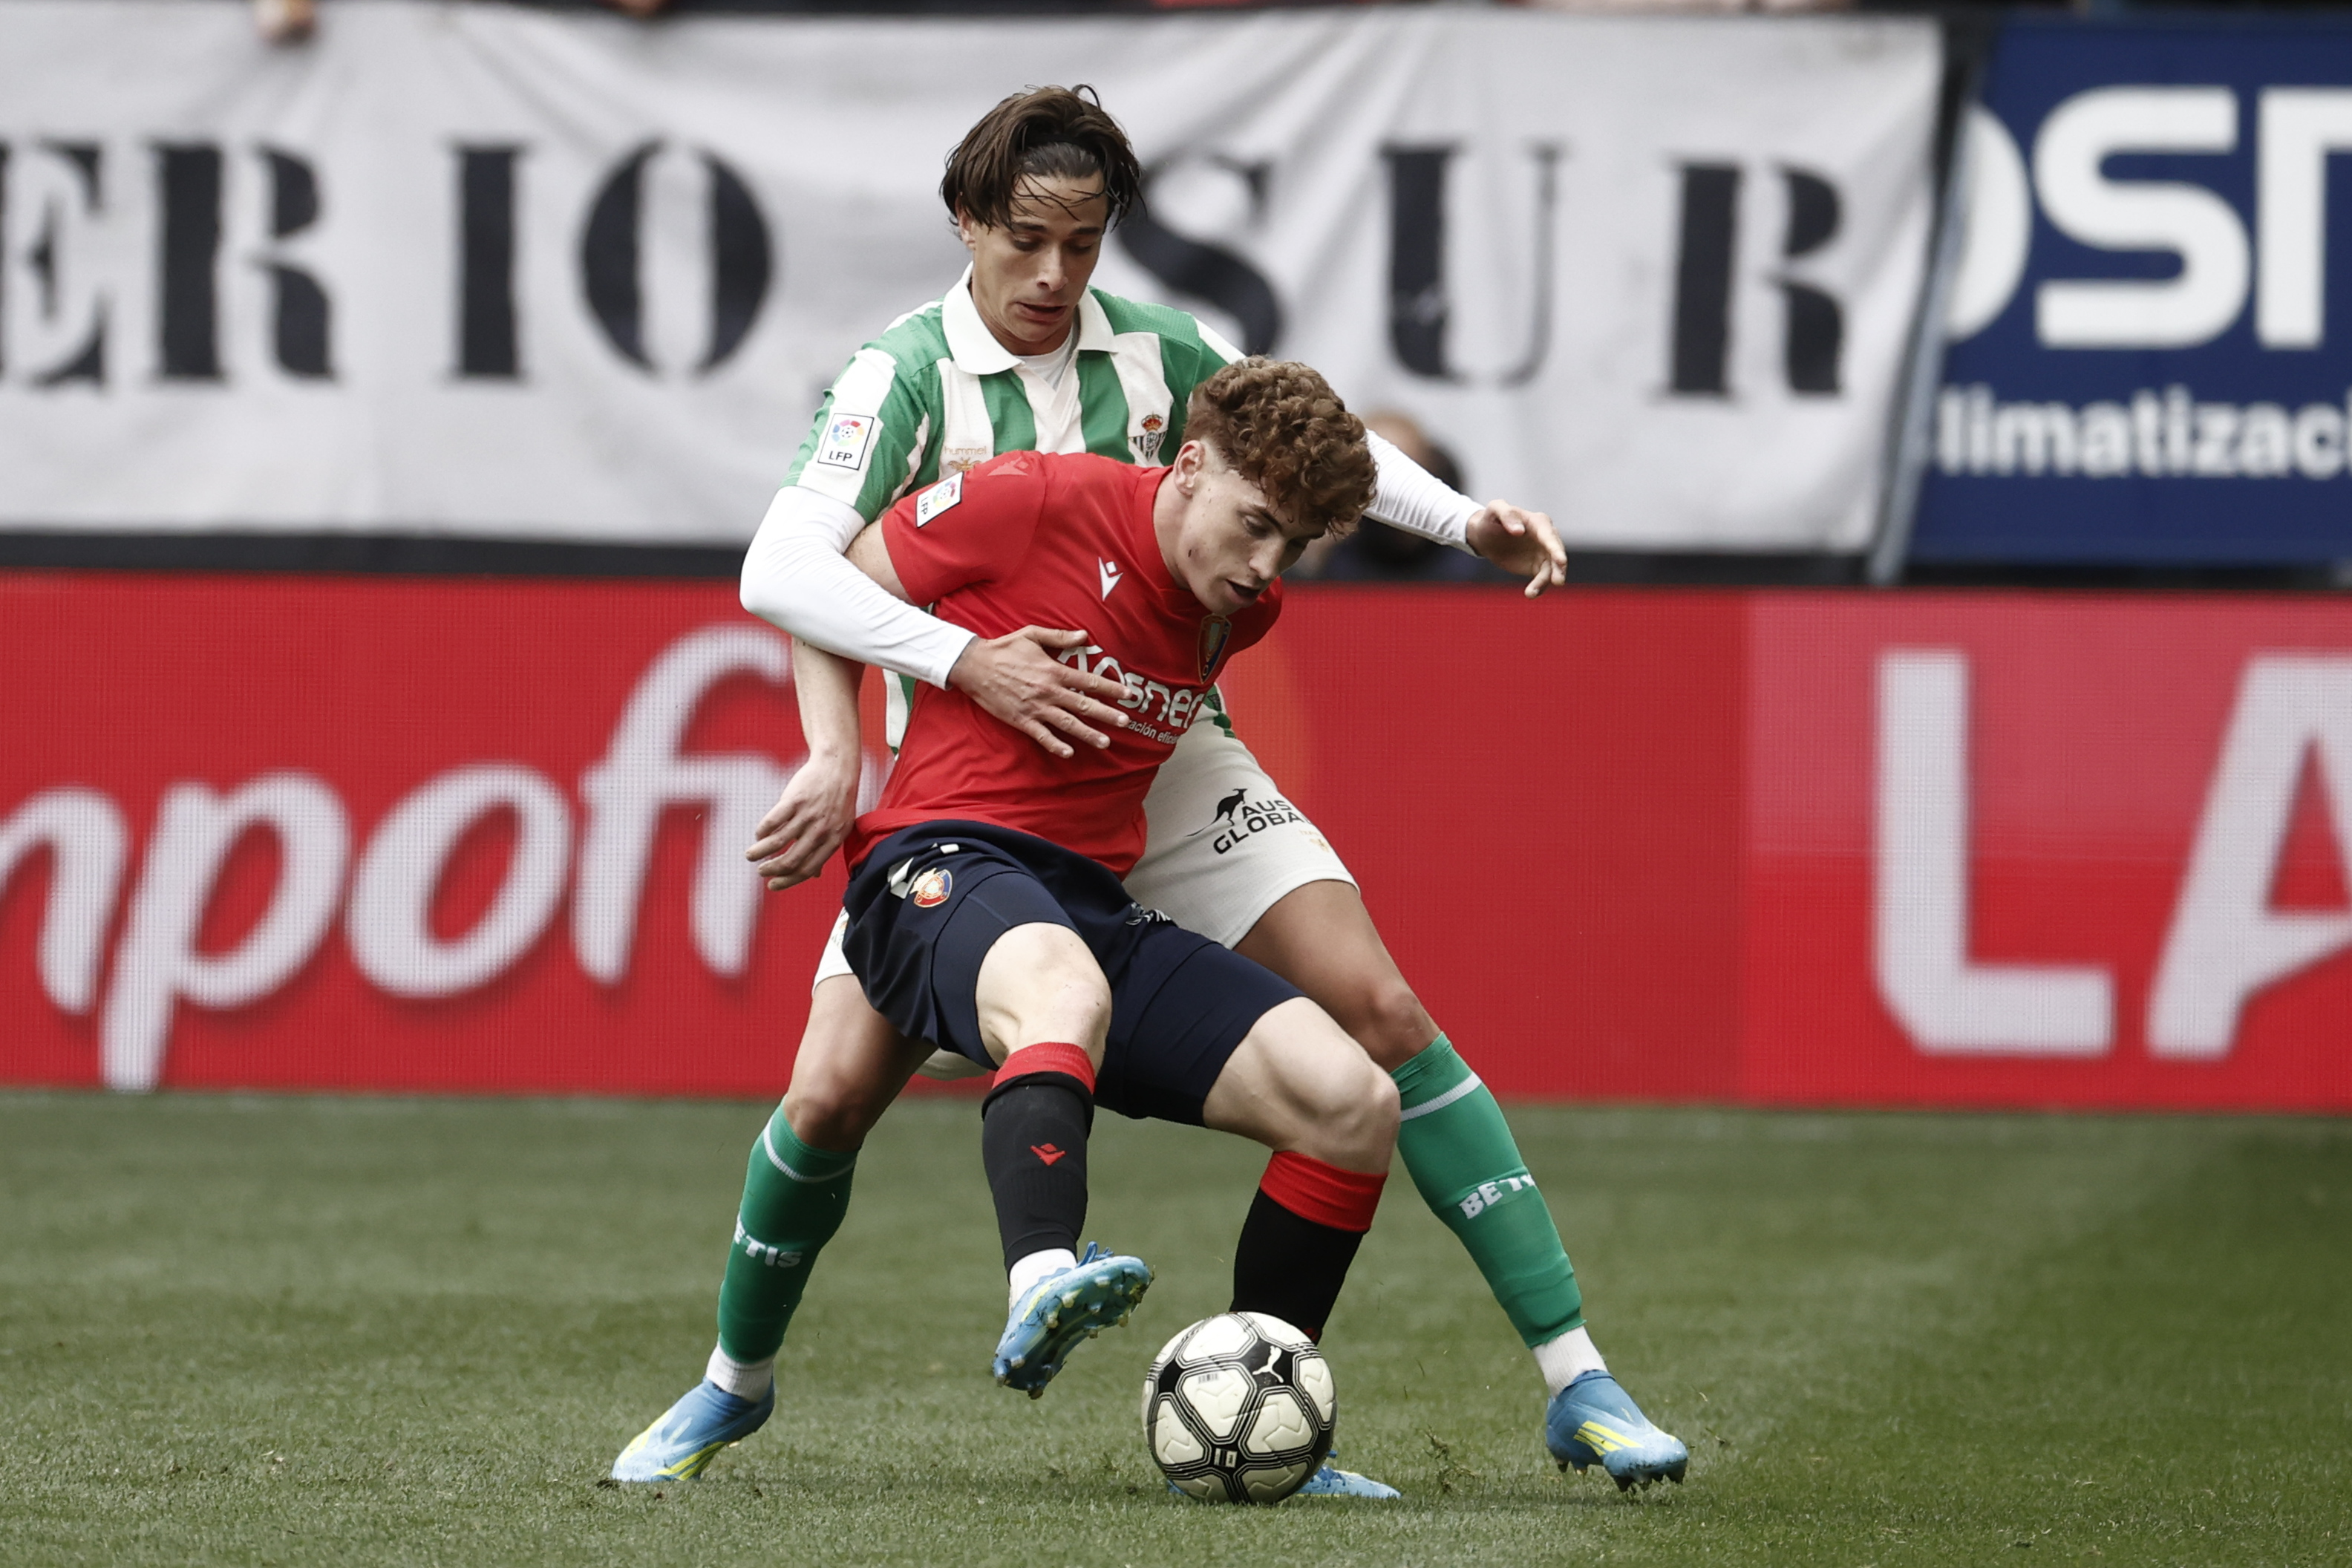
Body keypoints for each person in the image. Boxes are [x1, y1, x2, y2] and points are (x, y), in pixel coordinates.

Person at [612, 85, 1685, 1496]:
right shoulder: (900, 380)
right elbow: (794, 572)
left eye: (1085, 244)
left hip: (1164, 754)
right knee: (825, 1101)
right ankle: (728, 1386)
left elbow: (1305, 446)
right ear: (968, 222)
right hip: (978, 777)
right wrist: (853, 740)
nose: (1056, 275)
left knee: (1380, 1024)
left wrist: (1459, 520)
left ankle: (1572, 1378)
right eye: (1028, 241)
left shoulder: (1162, 354)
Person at [835, 361, 1396, 1405]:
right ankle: (1040, 1281)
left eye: (1292, 546)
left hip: (1090, 906)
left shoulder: (1240, 608)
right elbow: (828, 584)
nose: (1267, 566)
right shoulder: (1033, 495)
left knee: (1354, 1100)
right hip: (938, 861)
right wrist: (887, 716)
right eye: (1256, 524)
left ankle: (1264, 1410)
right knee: (851, 1097)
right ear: (1188, 466)